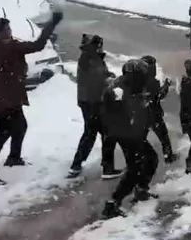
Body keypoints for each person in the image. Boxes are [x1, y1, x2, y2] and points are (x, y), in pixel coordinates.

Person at [0, 10, 63, 187]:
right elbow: (38, 45)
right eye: (7, 28)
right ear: (0, 32)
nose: (10, 30)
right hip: (5, 98)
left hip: (7, 96)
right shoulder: (6, 47)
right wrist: (51, 24)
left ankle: (13, 157)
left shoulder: (0, 45)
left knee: (18, 127)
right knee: (1, 134)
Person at [100, 59, 159, 218]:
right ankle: (112, 204)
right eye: (141, 76)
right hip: (126, 134)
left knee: (151, 159)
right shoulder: (117, 91)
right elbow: (111, 112)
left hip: (135, 133)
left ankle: (141, 189)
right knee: (134, 169)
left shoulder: (134, 86)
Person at [68, 34, 121, 179]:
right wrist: (109, 81)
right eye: (99, 45)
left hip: (91, 101)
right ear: (95, 46)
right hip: (92, 102)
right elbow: (94, 79)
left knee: (93, 133)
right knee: (103, 133)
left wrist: (107, 74)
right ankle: (106, 168)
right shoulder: (88, 58)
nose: (101, 48)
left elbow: (98, 74)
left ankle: (78, 166)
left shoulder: (92, 57)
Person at [141, 54, 177, 164]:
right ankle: (168, 155)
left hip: (142, 114)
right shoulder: (153, 82)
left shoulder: (138, 80)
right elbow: (159, 96)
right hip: (154, 113)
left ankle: (140, 156)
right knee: (163, 137)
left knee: (141, 137)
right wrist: (166, 86)